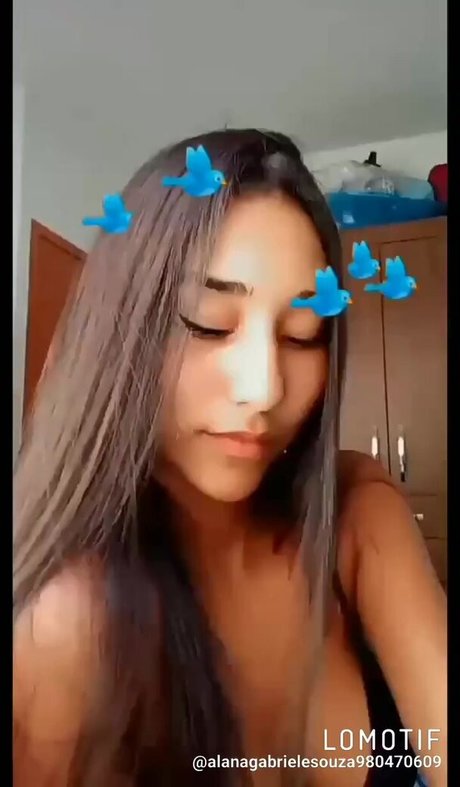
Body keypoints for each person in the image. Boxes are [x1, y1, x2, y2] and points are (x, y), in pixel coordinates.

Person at [13, 129, 446, 787]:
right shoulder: (66, 626)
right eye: (209, 323)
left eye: (303, 335)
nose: (263, 388)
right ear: (122, 332)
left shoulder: (356, 513)